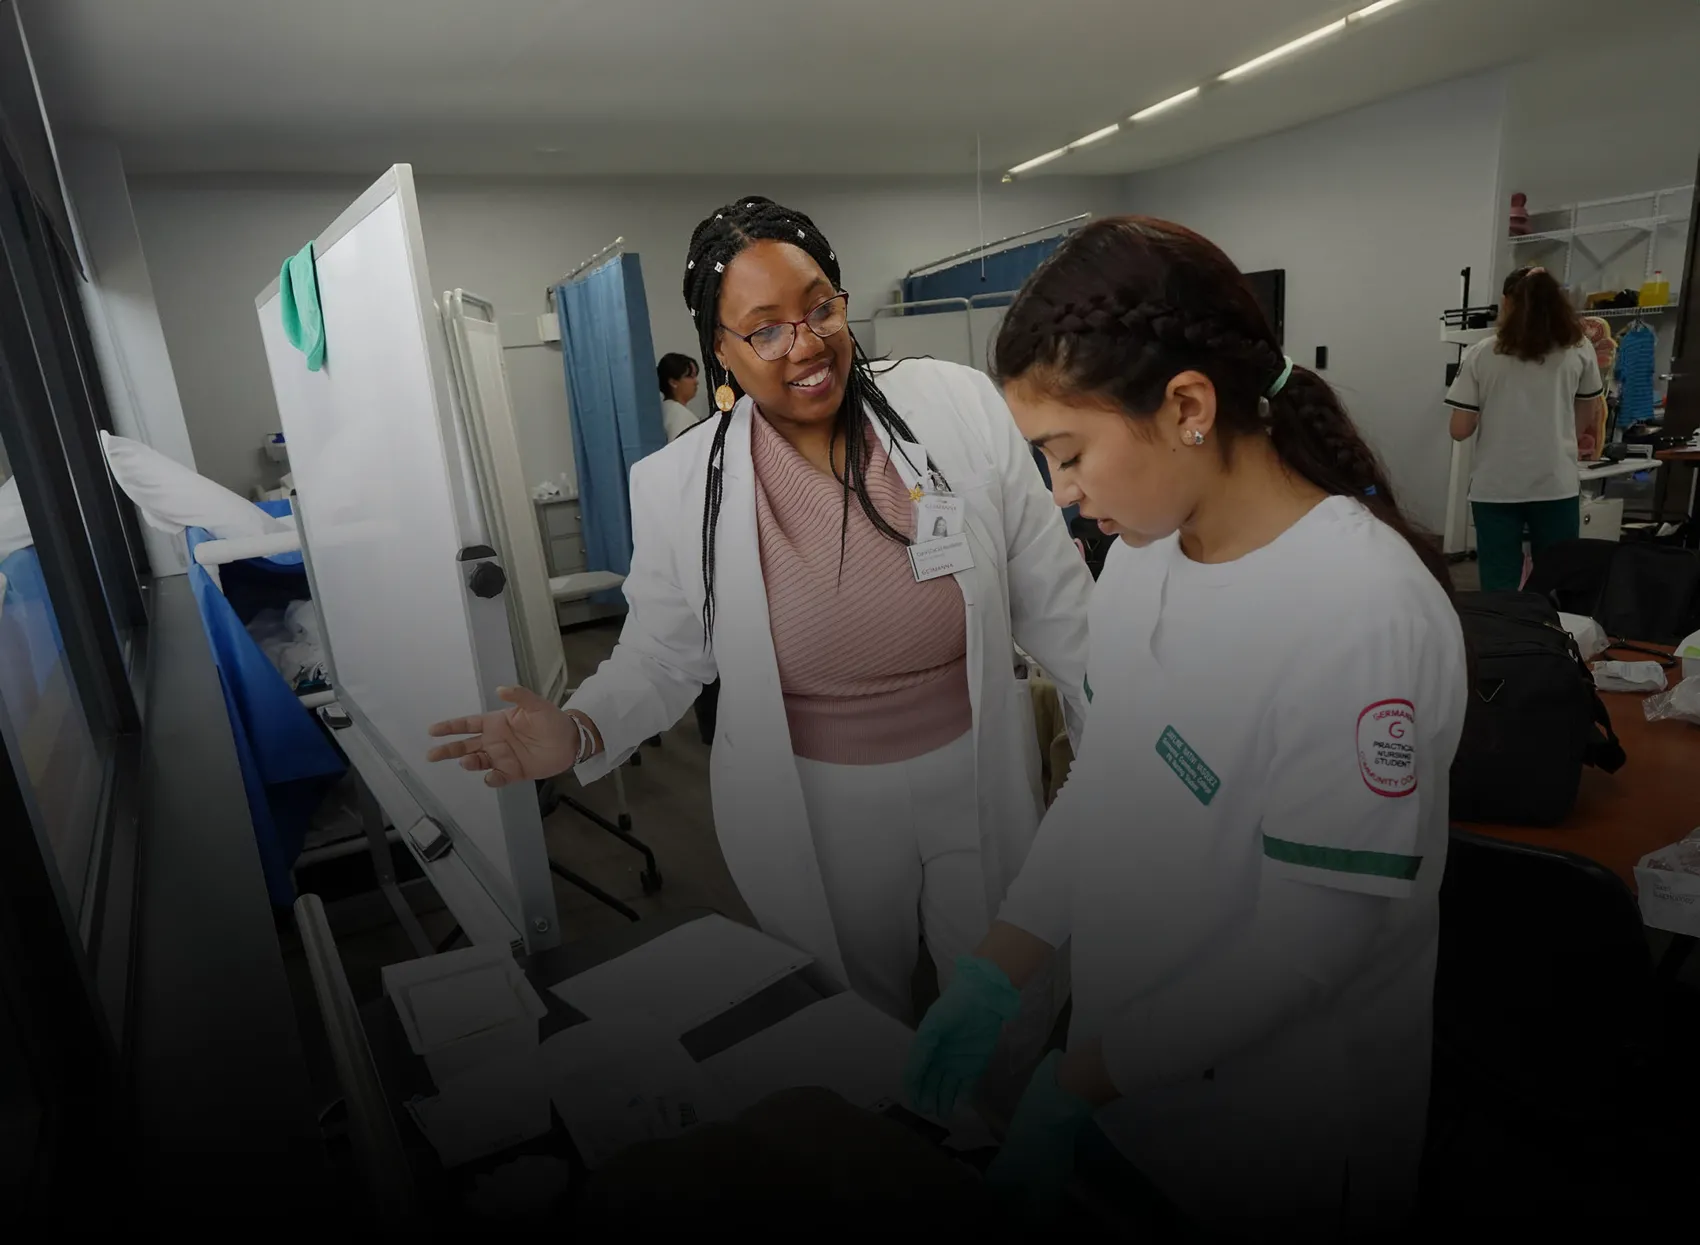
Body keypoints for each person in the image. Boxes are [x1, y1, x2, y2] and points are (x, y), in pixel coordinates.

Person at [426, 196, 1092, 1079]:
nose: (806, 344)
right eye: (765, 330)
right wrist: (579, 729)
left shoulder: (955, 406)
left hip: (976, 765)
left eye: (820, 307)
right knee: (856, 1019)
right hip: (817, 800)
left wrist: (1125, 725)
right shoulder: (679, 481)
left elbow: (1056, 597)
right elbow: (663, 655)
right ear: (722, 350)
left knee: (1007, 1001)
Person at [902, 217, 1469, 1239]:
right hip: (1134, 1082)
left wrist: (1078, 1081)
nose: (1059, 493)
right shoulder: (1147, 555)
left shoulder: (1355, 612)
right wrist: (1000, 965)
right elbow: (1110, 779)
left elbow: (1307, 949)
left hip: (1275, 1130)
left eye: (1066, 454)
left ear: (1186, 407)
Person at [1445, 266, 1605, 592]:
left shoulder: (1480, 353)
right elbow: (1586, 414)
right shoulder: (1580, 349)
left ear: (1506, 302)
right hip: (1555, 482)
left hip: (1496, 486)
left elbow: (1460, 430)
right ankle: (1555, 636)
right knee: (1558, 577)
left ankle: (1509, 638)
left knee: (1499, 581)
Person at [658, 352, 702, 442]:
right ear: (673, 382)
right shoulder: (680, 416)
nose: (696, 382)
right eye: (690, 377)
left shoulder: (664, 410)